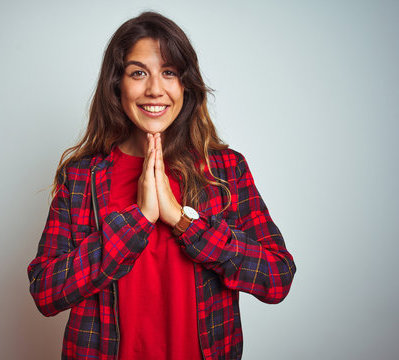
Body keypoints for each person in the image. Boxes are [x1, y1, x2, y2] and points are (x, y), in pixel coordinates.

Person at [28, 11, 296, 360]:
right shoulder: (81, 178)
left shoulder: (226, 169)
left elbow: (277, 278)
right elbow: (46, 292)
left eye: (169, 72)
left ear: (185, 84)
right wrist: (137, 221)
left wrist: (185, 223)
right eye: (138, 73)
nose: (155, 88)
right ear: (117, 85)